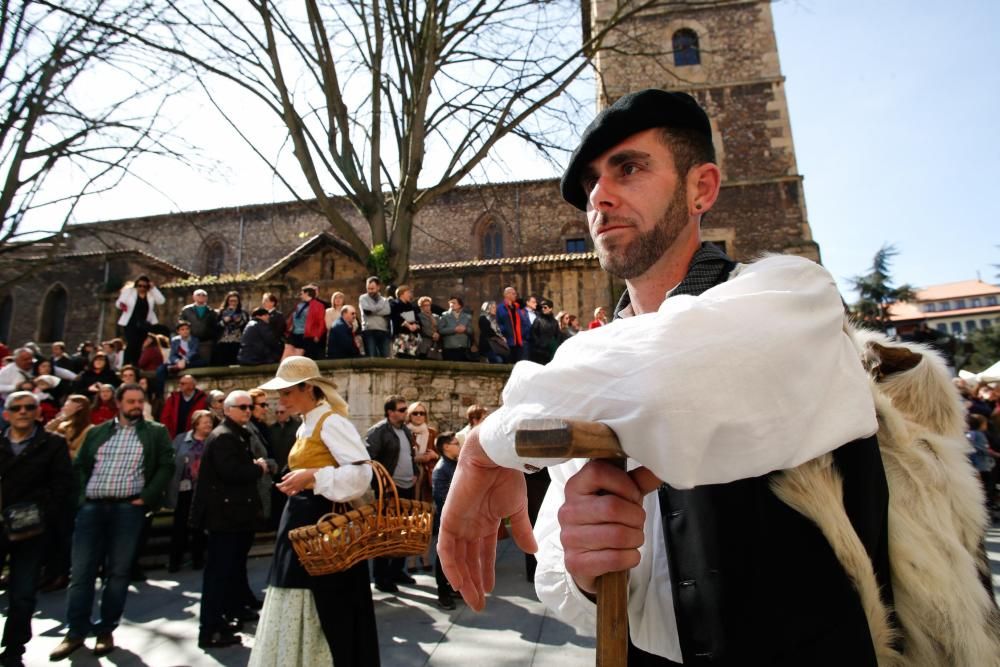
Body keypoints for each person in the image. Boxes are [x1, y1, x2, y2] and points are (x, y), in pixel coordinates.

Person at [439, 89, 893, 665]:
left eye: (628, 168)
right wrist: (586, 570)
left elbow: (664, 376)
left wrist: (488, 445)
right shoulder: (581, 372)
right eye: (590, 185)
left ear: (700, 188)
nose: (600, 196)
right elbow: (557, 580)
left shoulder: (794, 298)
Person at [249, 356, 379, 667]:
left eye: (287, 392)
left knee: (325, 601)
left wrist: (313, 477)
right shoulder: (305, 424)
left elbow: (362, 475)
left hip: (326, 527)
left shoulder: (331, 422)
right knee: (294, 591)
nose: (282, 399)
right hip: (301, 522)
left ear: (308, 388)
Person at [50, 383, 173, 661]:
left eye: (139, 401)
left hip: (128, 508)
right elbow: (81, 466)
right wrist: (82, 498)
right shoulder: (97, 432)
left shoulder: (154, 433)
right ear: (119, 403)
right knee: (81, 573)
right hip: (92, 508)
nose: (136, 406)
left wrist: (147, 497)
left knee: (117, 573)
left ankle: (106, 629)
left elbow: (166, 464)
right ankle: (75, 631)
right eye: (130, 401)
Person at [190, 391, 270, 649]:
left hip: (235, 515)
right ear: (227, 410)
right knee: (218, 573)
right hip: (225, 516)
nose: (248, 411)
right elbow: (232, 472)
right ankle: (211, 628)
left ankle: (232, 611)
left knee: (231, 567)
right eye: (242, 407)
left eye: (250, 407)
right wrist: (259, 467)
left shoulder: (235, 434)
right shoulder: (224, 436)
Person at [0, 391, 73, 667]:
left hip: (32, 526)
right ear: (7, 414)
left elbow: (63, 485)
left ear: (37, 412)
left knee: (23, 591)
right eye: (16, 407)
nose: (23, 412)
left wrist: (39, 512)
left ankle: (14, 648)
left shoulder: (51, 444)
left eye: (29, 407)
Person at [365, 394, 418, 592]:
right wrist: (383, 483)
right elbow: (369, 460)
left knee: (404, 530)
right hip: (388, 490)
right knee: (386, 532)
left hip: (407, 487)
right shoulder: (378, 431)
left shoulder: (405, 430)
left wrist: (415, 472)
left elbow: (410, 454)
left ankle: (397, 570)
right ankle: (381, 576)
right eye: (402, 410)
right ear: (390, 412)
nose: (406, 413)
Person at [165, 409, 213, 573]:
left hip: (204, 490)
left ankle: (198, 559)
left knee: (199, 527)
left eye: (210, 422)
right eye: (205, 422)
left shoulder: (213, 440)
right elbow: (171, 460)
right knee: (180, 527)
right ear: (196, 423)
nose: (209, 425)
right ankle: (175, 561)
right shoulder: (181, 439)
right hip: (184, 489)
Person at [405, 400, 438, 571]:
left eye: (422, 413)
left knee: (425, 520)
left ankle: (425, 557)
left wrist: (435, 455)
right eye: (415, 413)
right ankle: (410, 560)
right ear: (409, 415)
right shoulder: (404, 432)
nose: (419, 416)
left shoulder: (431, 432)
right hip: (409, 479)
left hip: (426, 480)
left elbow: (442, 452)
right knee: (410, 520)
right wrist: (417, 459)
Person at [431, 432, 459, 611]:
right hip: (448, 521)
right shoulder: (442, 469)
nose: (459, 446)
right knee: (445, 558)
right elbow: (442, 498)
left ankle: (451, 587)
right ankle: (443, 594)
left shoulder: (454, 465)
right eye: (455, 443)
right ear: (446, 447)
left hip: (460, 519)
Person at [115, 277, 164, 366]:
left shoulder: (150, 294)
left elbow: (161, 301)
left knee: (140, 344)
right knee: (131, 343)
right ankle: (125, 364)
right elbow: (119, 302)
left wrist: (153, 289)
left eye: (145, 286)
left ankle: (135, 365)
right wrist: (122, 305)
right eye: (139, 286)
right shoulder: (129, 291)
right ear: (136, 285)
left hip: (144, 323)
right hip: (130, 322)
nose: (142, 288)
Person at [160, 374, 208, 439]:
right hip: (175, 436)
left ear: (191, 385)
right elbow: (165, 418)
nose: (180, 386)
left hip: (195, 437)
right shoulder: (173, 399)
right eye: (179, 383)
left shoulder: (203, 399)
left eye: (183, 384)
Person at [179, 289, 219, 364]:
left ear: (207, 298)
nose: (201, 296)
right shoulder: (186, 310)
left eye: (203, 295)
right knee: (189, 361)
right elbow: (181, 324)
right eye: (198, 295)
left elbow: (216, 327)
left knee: (205, 362)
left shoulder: (212, 312)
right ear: (193, 297)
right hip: (190, 341)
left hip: (206, 342)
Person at [287, 286, 326, 361]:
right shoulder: (298, 305)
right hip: (295, 335)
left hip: (308, 336)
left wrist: (317, 335)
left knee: (307, 358)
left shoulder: (318, 305)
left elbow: (321, 322)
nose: (300, 295)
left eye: (302, 293)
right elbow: (292, 318)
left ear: (307, 293)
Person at [359, 276, 391, 358]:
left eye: (372, 288)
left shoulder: (384, 300)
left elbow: (387, 311)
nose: (370, 291)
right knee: (371, 357)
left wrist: (372, 310)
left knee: (385, 358)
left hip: (383, 331)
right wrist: (380, 307)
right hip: (369, 331)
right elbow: (366, 311)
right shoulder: (363, 298)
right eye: (368, 288)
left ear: (378, 287)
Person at [495, 287, 530, 362]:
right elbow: (497, 323)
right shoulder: (500, 308)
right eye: (513, 294)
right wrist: (503, 332)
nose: (516, 295)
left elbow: (523, 322)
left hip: (519, 341)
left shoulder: (517, 308)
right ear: (507, 295)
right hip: (508, 341)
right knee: (509, 363)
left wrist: (524, 335)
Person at [214, 291, 248, 366]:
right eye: (231, 300)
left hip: (237, 341)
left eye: (235, 301)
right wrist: (224, 321)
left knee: (235, 363)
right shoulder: (221, 312)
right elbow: (216, 327)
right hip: (223, 341)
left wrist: (239, 322)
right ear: (227, 301)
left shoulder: (243, 313)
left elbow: (246, 327)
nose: (233, 303)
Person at [389, 285, 421, 358]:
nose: (410, 294)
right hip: (400, 336)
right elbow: (395, 317)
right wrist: (408, 325)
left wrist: (415, 325)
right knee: (401, 357)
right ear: (402, 294)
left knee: (412, 357)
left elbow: (416, 319)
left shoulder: (411, 306)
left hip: (412, 337)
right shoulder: (394, 304)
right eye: (408, 292)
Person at [438, 296, 473, 362]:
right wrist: (454, 329)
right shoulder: (444, 316)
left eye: (454, 303)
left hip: (464, 348)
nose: (451, 304)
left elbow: (471, 331)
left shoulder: (467, 317)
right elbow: (441, 330)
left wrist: (465, 329)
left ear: (460, 305)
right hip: (450, 348)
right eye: (450, 303)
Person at [528, 298, 561, 365]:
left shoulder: (555, 322)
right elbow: (533, 334)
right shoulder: (538, 320)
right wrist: (539, 344)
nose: (543, 309)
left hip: (550, 351)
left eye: (545, 307)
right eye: (542, 307)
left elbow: (557, 336)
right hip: (539, 352)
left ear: (550, 308)